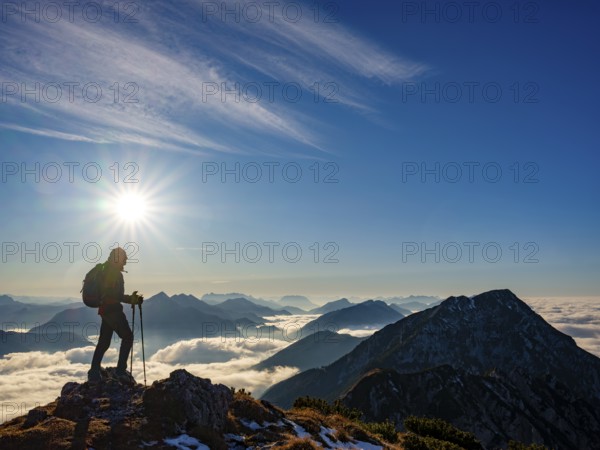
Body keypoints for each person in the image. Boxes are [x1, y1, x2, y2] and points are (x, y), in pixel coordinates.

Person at [88, 247, 143, 382]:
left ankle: (94, 371)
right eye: (124, 259)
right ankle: (120, 371)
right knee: (128, 337)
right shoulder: (113, 273)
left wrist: (129, 299)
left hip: (105, 311)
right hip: (112, 310)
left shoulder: (106, 270)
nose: (125, 262)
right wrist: (131, 299)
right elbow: (113, 294)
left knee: (104, 341)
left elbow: (109, 293)